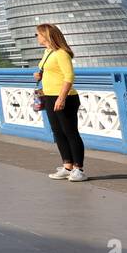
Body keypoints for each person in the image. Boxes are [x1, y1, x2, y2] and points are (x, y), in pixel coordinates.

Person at [35, 23, 87, 182]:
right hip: (49, 96)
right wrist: (40, 76)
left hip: (65, 97)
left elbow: (69, 77)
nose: (37, 37)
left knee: (70, 132)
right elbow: (52, 72)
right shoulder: (47, 52)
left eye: (38, 34)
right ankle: (67, 166)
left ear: (46, 35)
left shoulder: (62, 53)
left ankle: (79, 169)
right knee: (57, 132)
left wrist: (62, 98)